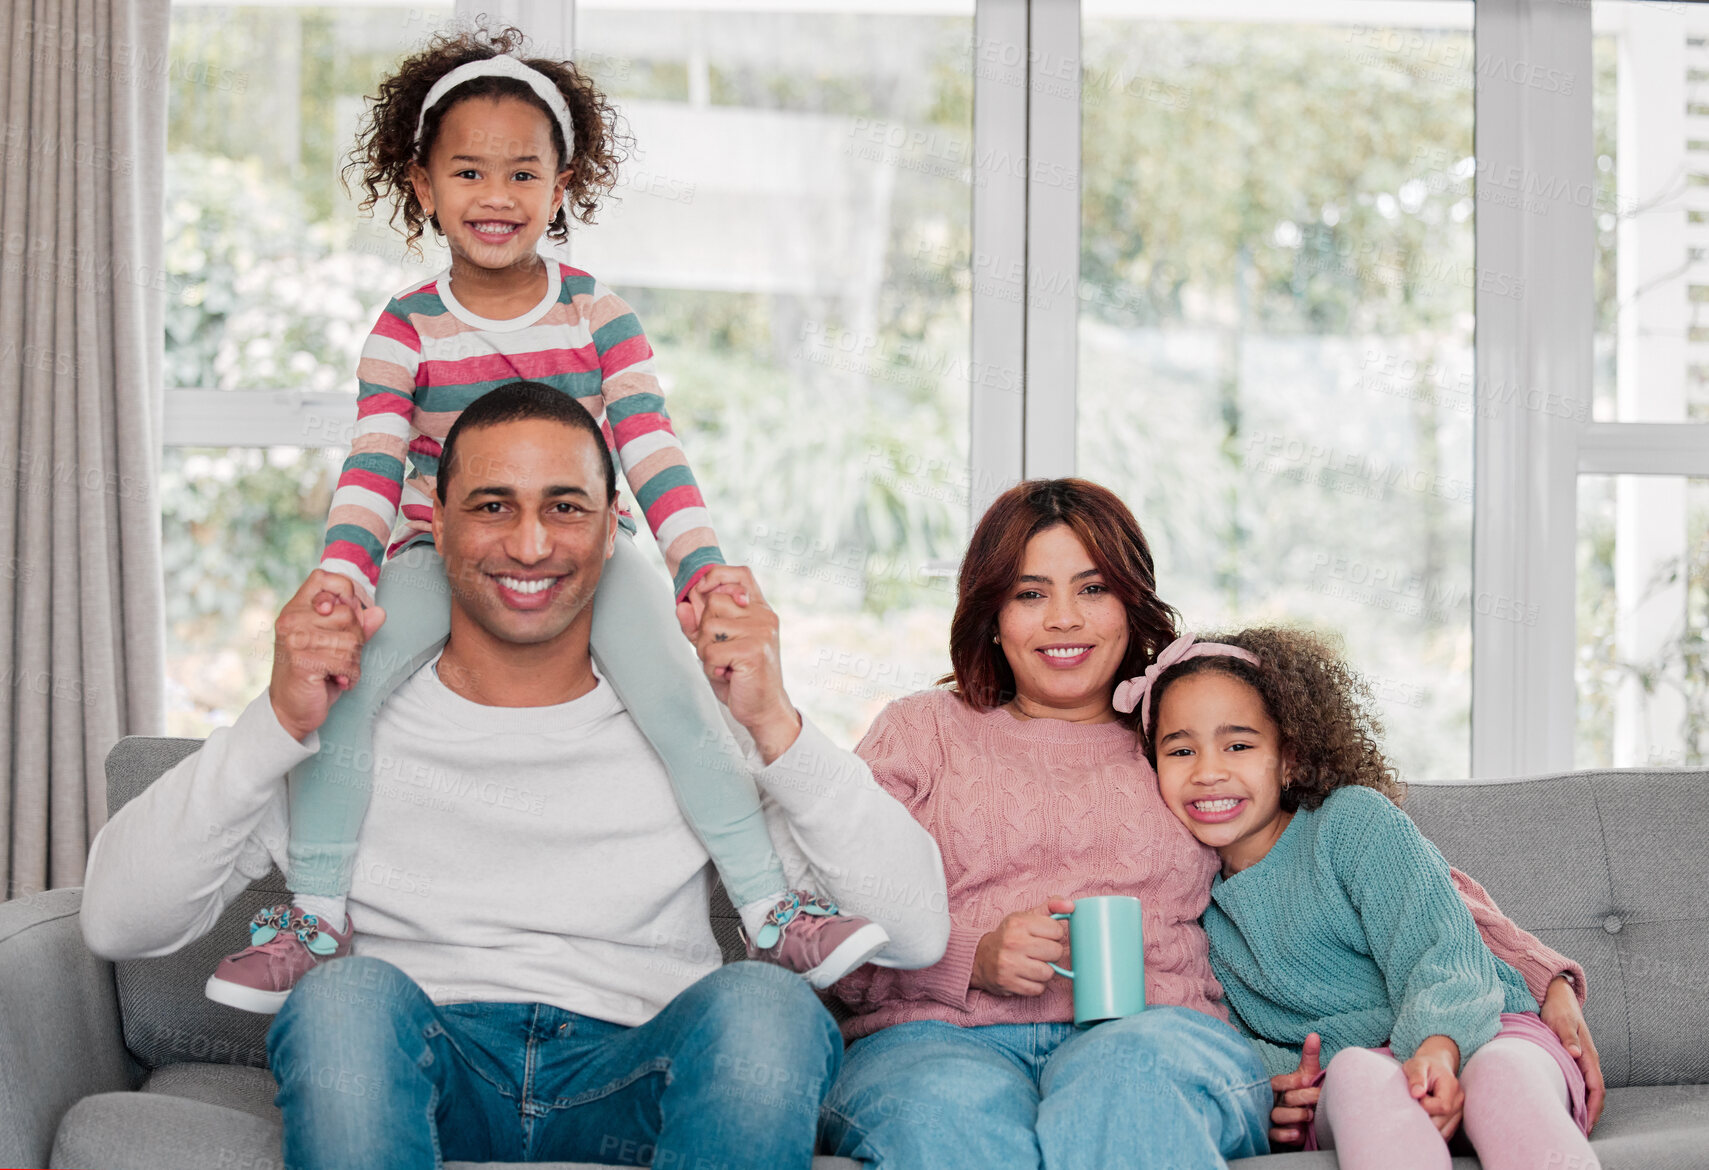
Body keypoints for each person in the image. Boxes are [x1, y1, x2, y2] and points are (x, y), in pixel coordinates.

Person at [80, 386, 950, 1170]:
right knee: (340, 996)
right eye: (493, 506)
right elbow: (117, 919)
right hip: (418, 1068)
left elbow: (915, 934)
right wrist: (273, 721)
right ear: (437, 517)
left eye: (564, 508)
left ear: (614, 523)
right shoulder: (340, 723)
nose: (530, 545)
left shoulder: (699, 728)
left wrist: (774, 721)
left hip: (638, 1067)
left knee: (772, 1005)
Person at [204, 25, 881, 1012]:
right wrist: (346, 576)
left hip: (590, 563)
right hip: (438, 554)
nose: (495, 196)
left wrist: (702, 568)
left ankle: (772, 911)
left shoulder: (598, 317)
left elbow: (650, 451)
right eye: (468, 171)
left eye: (522, 174)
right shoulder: (405, 327)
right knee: (344, 694)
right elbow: (372, 463)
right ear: (423, 184)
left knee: (683, 705)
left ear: (560, 188)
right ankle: (314, 915)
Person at [819, 478, 1601, 1170]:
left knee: (1128, 1087)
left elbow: (1388, 876)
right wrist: (969, 958)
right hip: (935, 1039)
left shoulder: (1176, 735)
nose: (1063, 618)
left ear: (1132, 604)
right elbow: (817, 915)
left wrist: (1540, 979)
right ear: (990, 613)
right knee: (945, 1124)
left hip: (1153, 1038)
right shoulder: (921, 731)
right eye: (1029, 593)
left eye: (1092, 588)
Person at [1135, 626, 1600, 1169]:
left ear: (1289, 758)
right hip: (1345, 1078)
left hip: (1479, 1034)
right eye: (1181, 750)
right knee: (1358, 1073)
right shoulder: (1184, 897)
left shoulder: (1352, 823)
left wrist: (1437, 1050)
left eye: (1238, 745)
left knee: (1503, 1076)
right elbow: (1214, 1024)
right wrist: (1275, 1088)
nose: (1209, 772)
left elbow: (1443, 948)